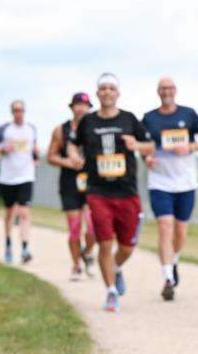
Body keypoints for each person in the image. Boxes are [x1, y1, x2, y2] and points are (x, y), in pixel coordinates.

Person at [66, 73, 155, 312]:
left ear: (117, 93)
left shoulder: (129, 119)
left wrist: (136, 145)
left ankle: (116, 268)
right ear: (97, 93)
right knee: (104, 243)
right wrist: (74, 156)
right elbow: (73, 144)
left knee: (127, 247)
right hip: (98, 192)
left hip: (127, 191)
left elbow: (150, 145)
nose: (107, 92)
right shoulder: (88, 121)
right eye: (102, 88)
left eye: (111, 89)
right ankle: (111, 291)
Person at [141, 78, 198, 301]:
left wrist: (189, 147)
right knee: (165, 227)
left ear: (175, 91)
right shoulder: (149, 118)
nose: (166, 92)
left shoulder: (188, 115)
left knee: (180, 232)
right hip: (159, 182)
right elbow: (142, 145)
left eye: (170, 88)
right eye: (163, 88)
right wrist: (146, 157)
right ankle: (167, 277)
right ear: (158, 92)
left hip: (185, 182)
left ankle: (174, 259)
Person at [47, 92, 97, 280]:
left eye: (84, 105)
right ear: (72, 107)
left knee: (92, 227)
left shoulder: (95, 126)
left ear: (89, 107)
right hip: (70, 184)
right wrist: (69, 162)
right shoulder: (61, 130)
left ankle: (88, 252)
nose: (81, 108)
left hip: (92, 182)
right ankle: (76, 265)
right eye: (77, 104)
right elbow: (51, 156)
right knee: (74, 227)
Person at [0, 100, 39, 264]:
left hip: (26, 175)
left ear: (24, 111)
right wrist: (3, 149)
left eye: (21, 110)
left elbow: (34, 149)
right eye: (16, 110)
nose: (19, 113)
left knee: (24, 212)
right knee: (10, 212)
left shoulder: (31, 129)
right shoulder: (5, 128)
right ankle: (8, 243)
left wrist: (36, 156)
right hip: (7, 177)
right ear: (12, 112)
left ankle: (25, 248)